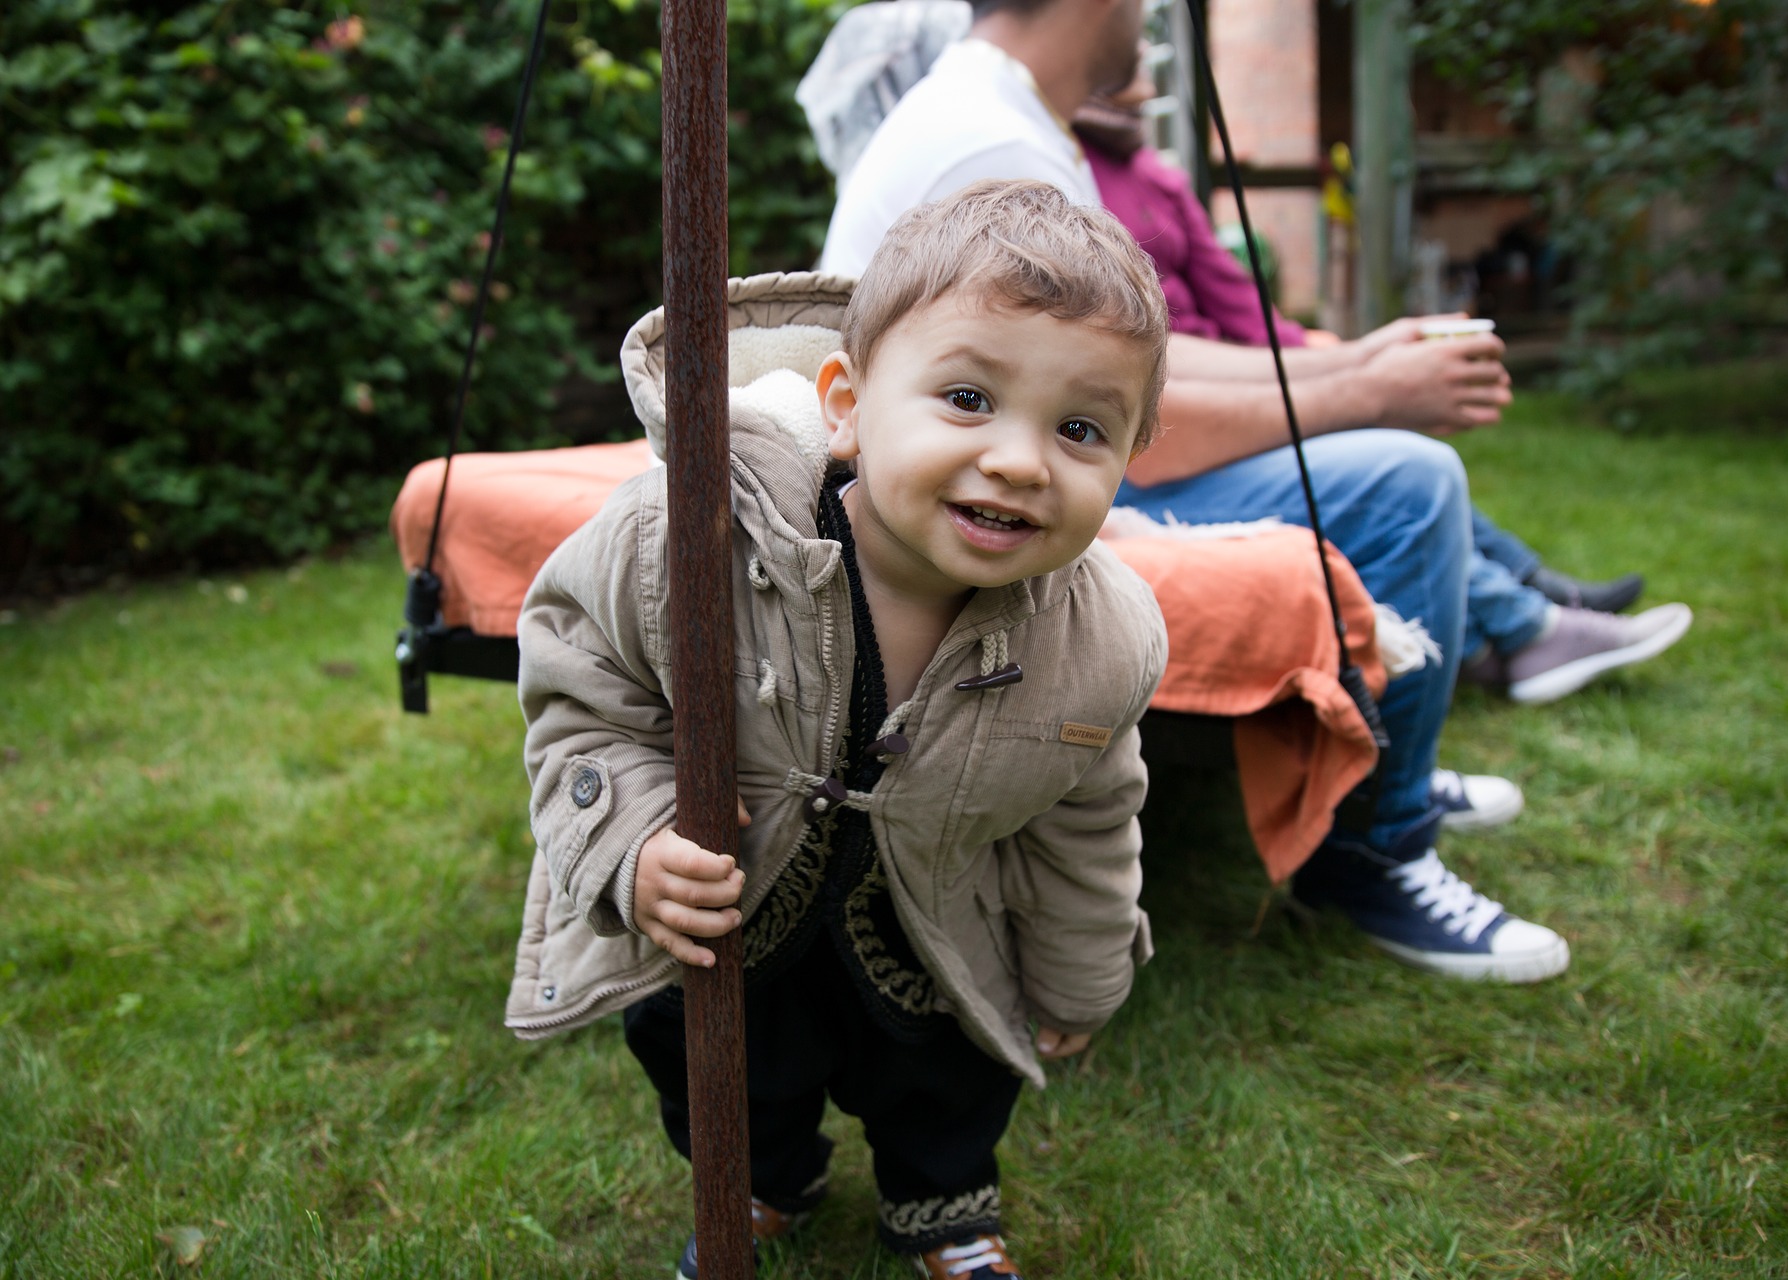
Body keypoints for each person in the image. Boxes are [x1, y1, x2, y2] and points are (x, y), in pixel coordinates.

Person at [821, 0, 1571, 984]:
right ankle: (1372, 846)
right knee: (1407, 482)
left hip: (1005, 451)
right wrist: (1364, 393)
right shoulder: (988, 140)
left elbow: (1130, 375)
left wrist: (1353, 365)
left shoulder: (1003, 112)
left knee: (1381, 445)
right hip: (946, 496)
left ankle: (1396, 760)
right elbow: (1114, 432)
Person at [507, 181, 1171, 1280]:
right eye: (966, 396)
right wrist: (630, 840)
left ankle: (945, 1204)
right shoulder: (690, 534)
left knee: (949, 1069)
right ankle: (764, 1176)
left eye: (1082, 427)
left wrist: (1081, 973)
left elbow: (1092, 814)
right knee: (712, 1056)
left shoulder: (1097, 638)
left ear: (1132, 451)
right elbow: (584, 686)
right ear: (847, 404)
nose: (1019, 459)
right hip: (731, 910)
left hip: (932, 916)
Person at [1068, 83, 1694, 709]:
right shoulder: (1056, 164)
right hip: (1172, 423)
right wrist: (1358, 384)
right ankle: (1524, 624)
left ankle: (1533, 599)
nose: (1150, 85)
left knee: (1372, 436)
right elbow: (1146, 370)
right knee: (1392, 465)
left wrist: (1327, 356)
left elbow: (1237, 297)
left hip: (1223, 375)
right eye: (1135, 73)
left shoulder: (1151, 173)